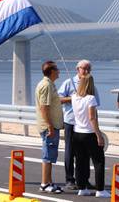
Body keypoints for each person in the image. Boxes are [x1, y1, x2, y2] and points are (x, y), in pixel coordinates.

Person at [58, 60, 99, 190]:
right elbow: (58, 99)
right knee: (70, 150)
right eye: (84, 69)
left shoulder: (91, 84)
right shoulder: (68, 82)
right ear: (77, 69)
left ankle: (83, 179)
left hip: (86, 124)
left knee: (84, 153)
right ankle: (70, 179)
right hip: (71, 121)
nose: (86, 72)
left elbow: (95, 103)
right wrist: (74, 98)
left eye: (88, 69)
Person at [72, 75, 110, 198]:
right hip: (89, 134)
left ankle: (82, 188)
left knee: (80, 162)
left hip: (77, 133)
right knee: (98, 162)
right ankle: (100, 190)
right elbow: (92, 118)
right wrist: (98, 134)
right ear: (90, 84)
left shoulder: (74, 97)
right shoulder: (91, 99)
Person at [35, 61, 64, 194]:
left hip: (52, 125)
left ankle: (49, 182)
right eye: (56, 69)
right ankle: (44, 183)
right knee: (47, 155)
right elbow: (44, 107)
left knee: (51, 155)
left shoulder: (49, 84)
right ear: (51, 71)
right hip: (49, 127)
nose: (59, 71)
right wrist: (50, 126)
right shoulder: (46, 85)